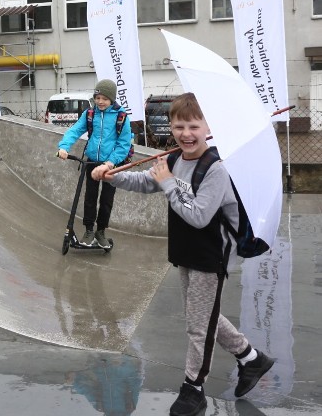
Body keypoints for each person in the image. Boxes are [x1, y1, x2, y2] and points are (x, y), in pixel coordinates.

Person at [92, 93, 274, 416]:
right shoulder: (175, 160)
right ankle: (250, 358)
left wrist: (168, 184)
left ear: (207, 128)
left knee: (197, 327)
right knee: (202, 317)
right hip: (186, 252)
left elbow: (200, 215)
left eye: (193, 126)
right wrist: (113, 175)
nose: (186, 133)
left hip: (210, 255)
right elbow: (146, 182)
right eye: (179, 126)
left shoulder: (216, 170)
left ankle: (194, 387)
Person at [57, 79, 132, 249]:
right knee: (90, 198)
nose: (100, 102)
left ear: (111, 99)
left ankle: (101, 232)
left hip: (111, 165)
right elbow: (75, 130)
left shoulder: (121, 117)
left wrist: (111, 162)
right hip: (91, 162)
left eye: (104, 98)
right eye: (97, 97)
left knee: (106, 200)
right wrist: (64, 147)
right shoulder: (90, 114)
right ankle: (89, 230)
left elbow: (124, 144)